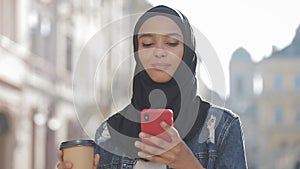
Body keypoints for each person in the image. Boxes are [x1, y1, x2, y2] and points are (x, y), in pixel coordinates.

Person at [57, 5, 248, 169]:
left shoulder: (223, 127)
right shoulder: (109, 132)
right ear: (136, 52)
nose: (159, 52)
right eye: (147, 43)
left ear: (188, 52)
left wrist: (187, 163)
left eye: (172, 43)